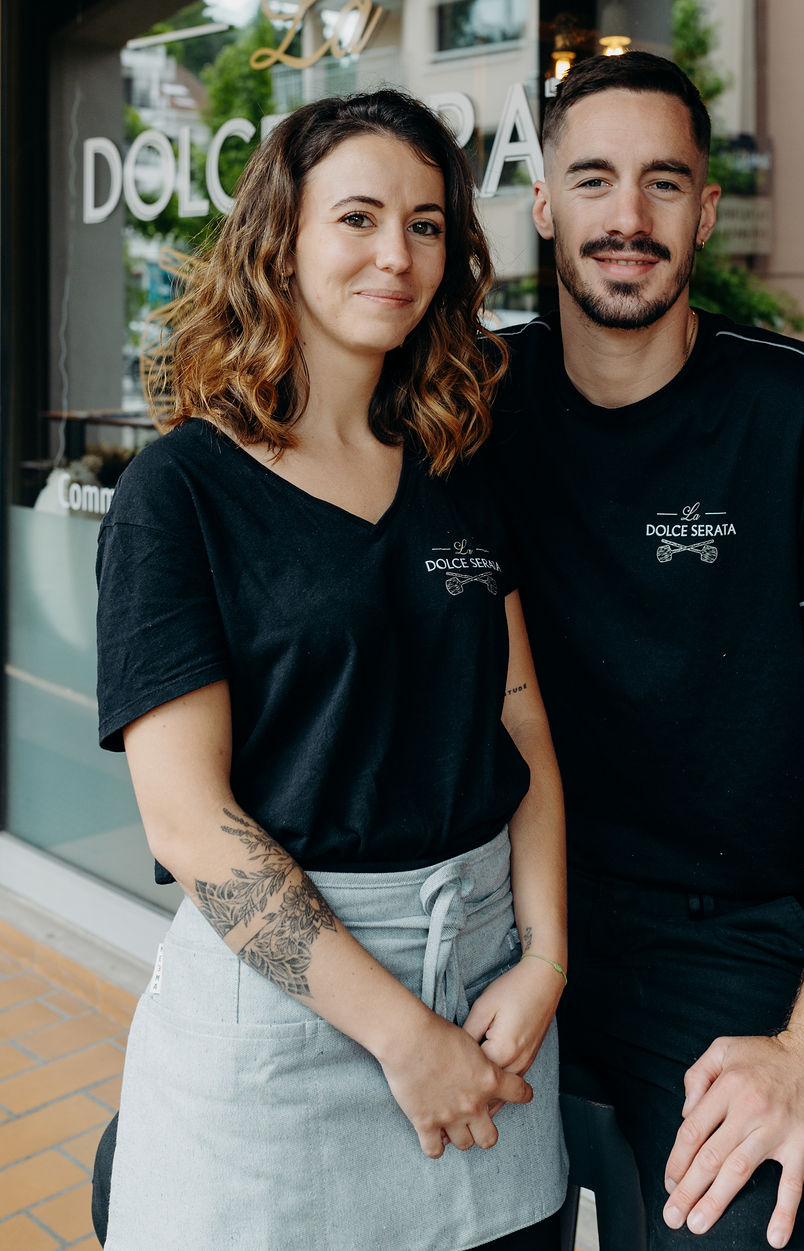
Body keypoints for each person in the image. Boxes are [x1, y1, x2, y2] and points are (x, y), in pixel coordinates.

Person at [93, 90, 568, 1251]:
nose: (395, 255)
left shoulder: (454, 465)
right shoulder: (183, 494)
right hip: (286, 1016)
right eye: (357, 217)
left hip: (490, 987)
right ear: (283, 241)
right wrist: (408, 1042)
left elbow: (523, 727)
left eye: (424, 224)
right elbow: (191, 824)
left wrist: (548, 957)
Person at [485, 51, 804, 1250]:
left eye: (663, 183)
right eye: (592, 180)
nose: (626, 217)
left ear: (704, 209)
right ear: (543, 204)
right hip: (493, 922)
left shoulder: (792, 407)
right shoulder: (470, 399)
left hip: (722, 937)